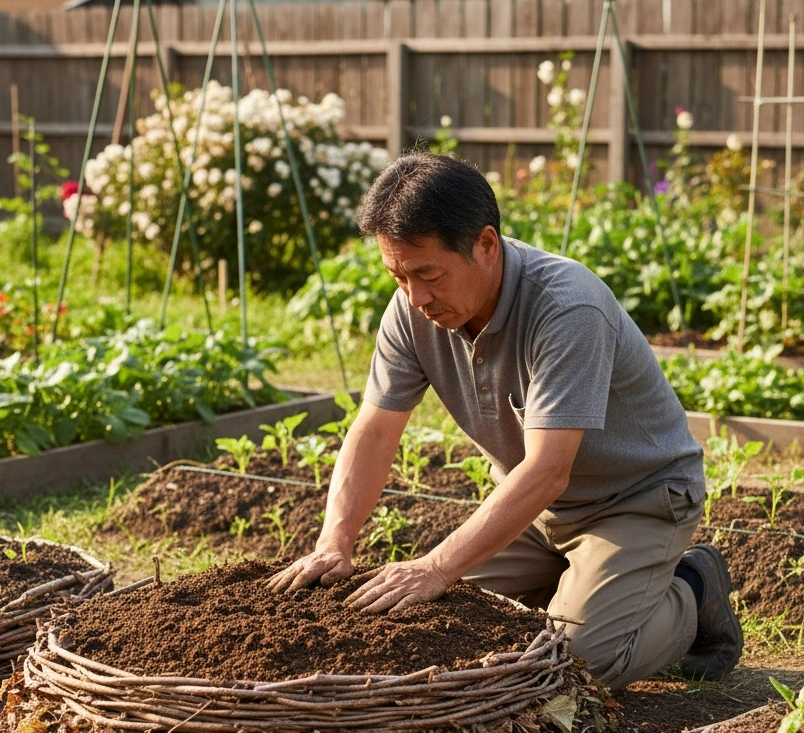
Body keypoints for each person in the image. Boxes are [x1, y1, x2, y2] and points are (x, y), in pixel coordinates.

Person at [269, 152, 742, 688]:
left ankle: (693, 587)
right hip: (534, 512)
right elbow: (375, 431)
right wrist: (334, 541)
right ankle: (579, 588)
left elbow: (548, 469)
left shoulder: (567, 307)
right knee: (435, 621)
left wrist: (436, 566)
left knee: (572, 661)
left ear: (486, 245)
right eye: (398, 277)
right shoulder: (411, 311)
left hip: (636, 500)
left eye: (428, 274)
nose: (415, 297)